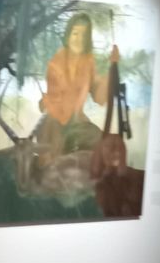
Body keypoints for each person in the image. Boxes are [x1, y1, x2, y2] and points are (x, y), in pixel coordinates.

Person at [37, 13, 119, 161]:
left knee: (104, 147)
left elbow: (98, 95)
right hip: (55, 121)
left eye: (84, 35)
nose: (79, 39)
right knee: (51, 160)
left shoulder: (88, 61)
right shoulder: (55, 63)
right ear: (68, 35)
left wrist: (111, 69)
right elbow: (56, 100)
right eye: (75, 33)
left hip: (78, 123)